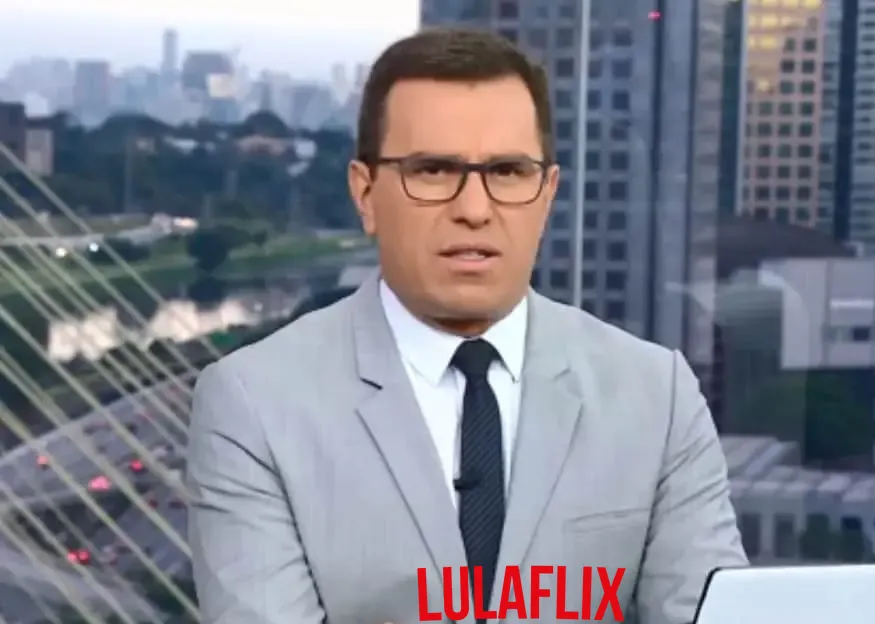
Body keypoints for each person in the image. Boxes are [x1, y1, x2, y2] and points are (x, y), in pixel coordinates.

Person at [187, 27, 747, 624]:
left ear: (547, 194)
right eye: (432, 170)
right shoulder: (253, 405)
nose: (475, 209)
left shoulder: (658, 396)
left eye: (507, 171)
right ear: (366, 193)